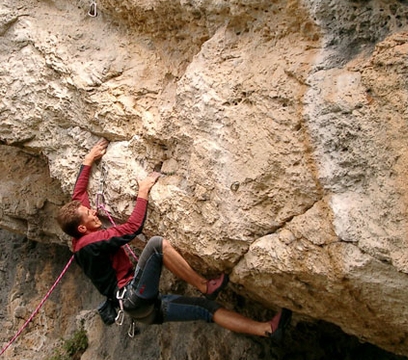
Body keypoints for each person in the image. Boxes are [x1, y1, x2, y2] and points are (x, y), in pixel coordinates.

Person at [57, 139, 290, 341]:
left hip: (140, 310)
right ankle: (203, 285)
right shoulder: (92, 242)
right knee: (157, 245)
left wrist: (88, 160)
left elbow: (78, 197)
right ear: (82, 227)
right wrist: (143, 191)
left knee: (205, 310)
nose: (94, 213)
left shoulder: (81, 236)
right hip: (132, 295)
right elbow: (132, 228)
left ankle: (268, 329)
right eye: (90, 215)